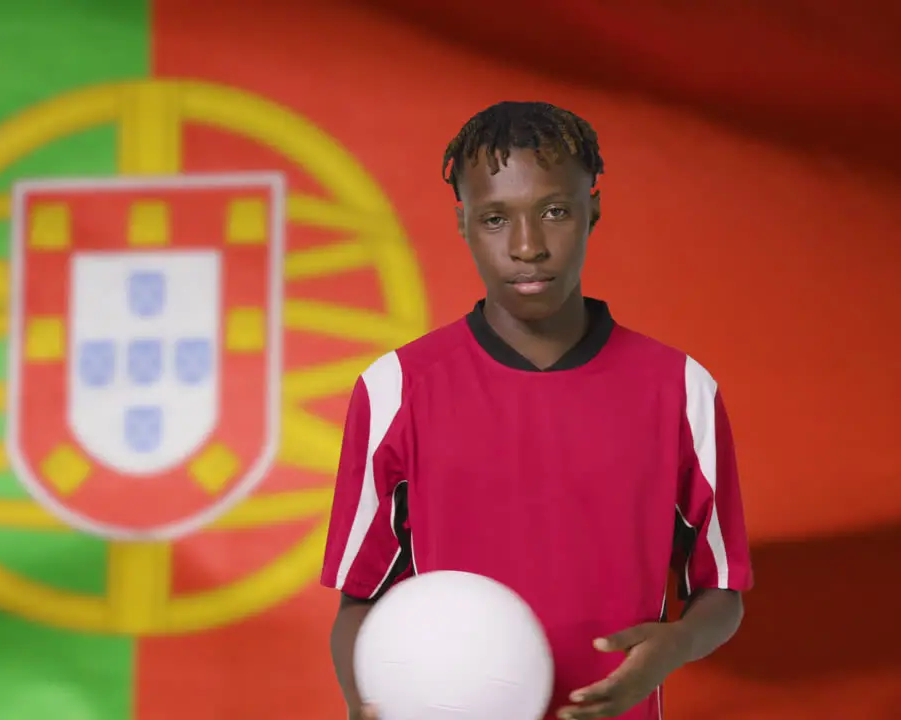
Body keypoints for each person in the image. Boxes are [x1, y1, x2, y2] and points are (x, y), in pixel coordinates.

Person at [319, 101, 753, 720]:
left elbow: (722, 592)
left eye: (555, 211)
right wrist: (370, 709)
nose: (528, 247)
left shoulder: (680, 389)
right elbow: (359, 604)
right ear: (462, 223)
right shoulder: (395, 390)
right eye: (496, 218)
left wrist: (674, 644)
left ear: (592, 210)